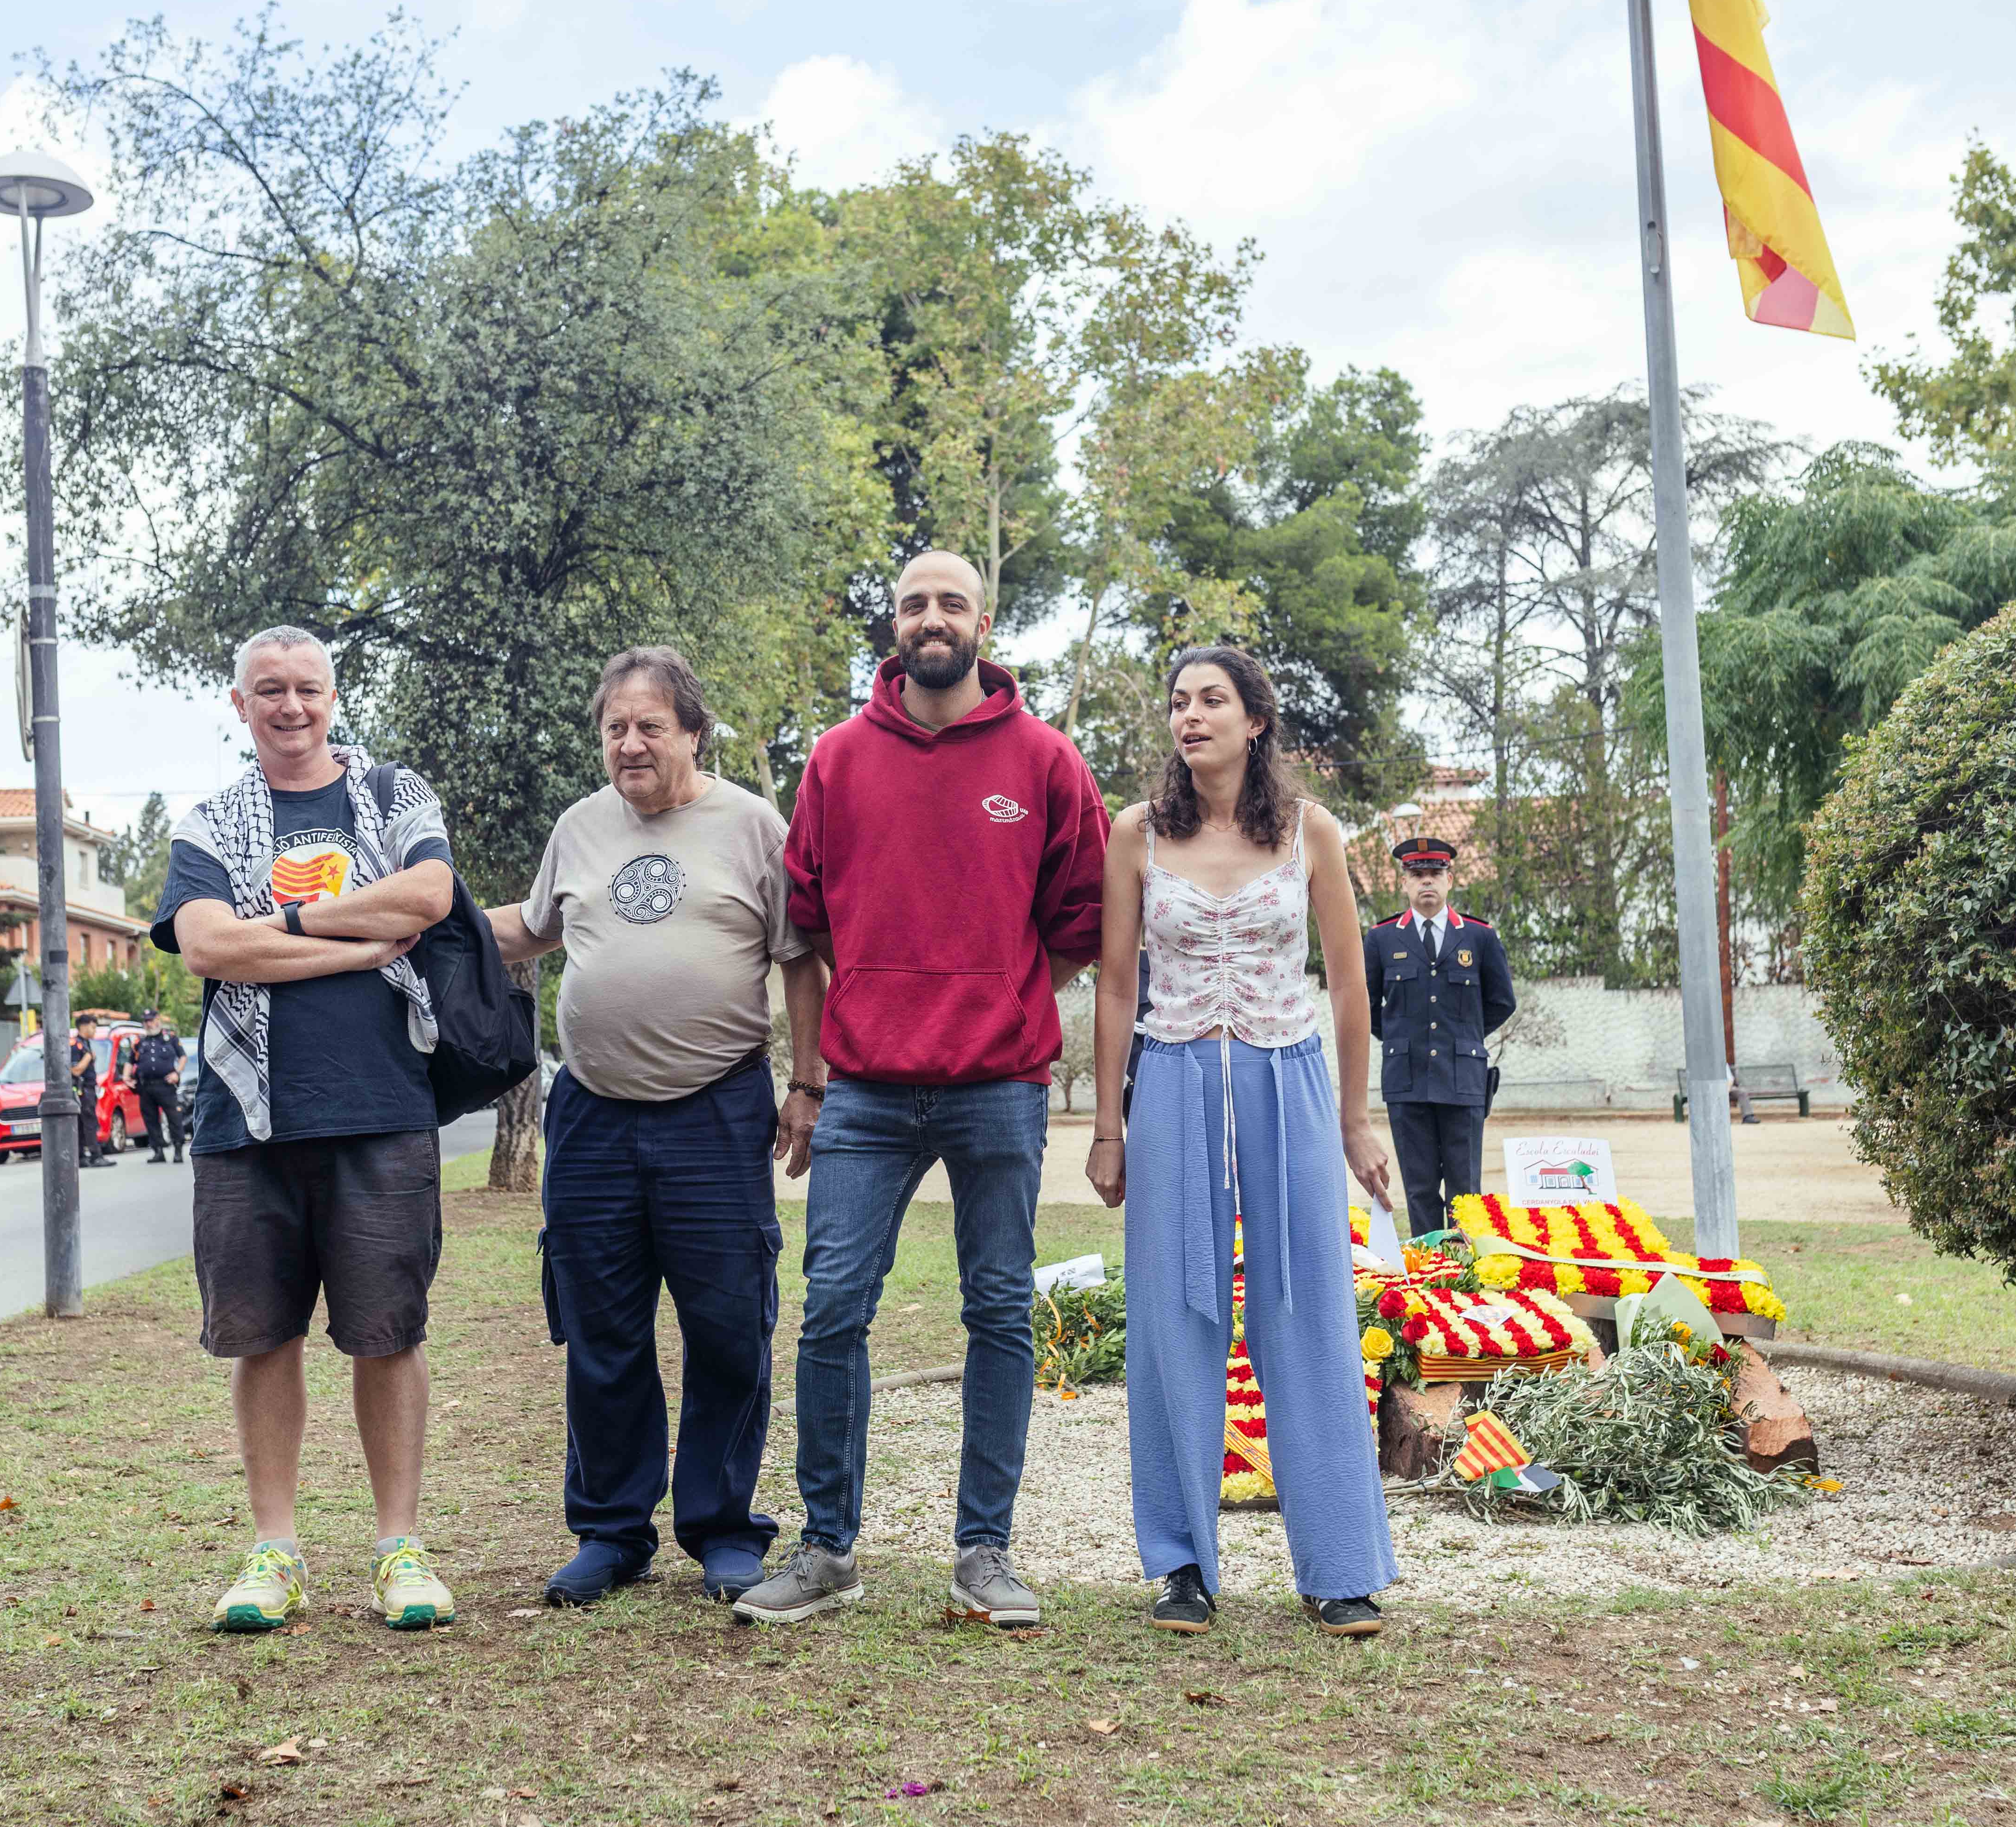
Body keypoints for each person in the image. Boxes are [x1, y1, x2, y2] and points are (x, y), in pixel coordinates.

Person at [733, 550, 1109, 1629]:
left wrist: (1005, 996)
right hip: (866, 1089)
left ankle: (983, 1551)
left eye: (951, 601)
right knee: (832, 1307)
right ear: (892, 626)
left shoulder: (1044, 761)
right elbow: (804, 924)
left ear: (984, 621)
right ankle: (826, 1548)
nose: (932, 617)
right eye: (913, 603)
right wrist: (811, 1076)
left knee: (999, 1309)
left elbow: (1077, 924)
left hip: (1000, 1086)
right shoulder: (839, 760)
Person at [485, 647, 829, 1609]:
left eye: (650, 726)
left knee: (728, 1326)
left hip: (715, 1110)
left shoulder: (753, 826)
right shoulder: (581, 826)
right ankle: (610, 1531)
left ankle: (723, 1528)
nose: (630, 744)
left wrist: (807, 1081)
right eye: (615, 729)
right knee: (601, 1330)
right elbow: (531, 928)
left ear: (692, 731)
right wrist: (419, 922)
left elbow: (800, 958)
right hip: (591, 1113)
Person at [151, 624, 462, 1635]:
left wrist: (271, 936)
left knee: (389, 1332)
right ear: (239, 705)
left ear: (336, 697)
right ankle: (275, 1548)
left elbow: (428, 896)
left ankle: (398, 1547)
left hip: (380, 1109)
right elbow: (206, 946)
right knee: (262, 1334)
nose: (292, 706)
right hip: (247, 1120)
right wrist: (345, 939)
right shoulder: (209, 822)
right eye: (269, 690)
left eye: (309, 688)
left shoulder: (392, 794)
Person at [1088, 645, 1399, 1639]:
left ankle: (1340, 1564)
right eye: (1178, 701)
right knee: (1175, 1315)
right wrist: (1108, 1123)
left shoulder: (1312, 831)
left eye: (1212, 700)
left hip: (1288, 1075)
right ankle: (1182, 1563)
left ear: (1255, 720)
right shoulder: (1136, 833)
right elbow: (1117, 985)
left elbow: (1350, 985)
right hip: (1173, 1078)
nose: (1191, 716)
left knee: (1304, 1304)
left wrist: (1355, 1118)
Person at [1364, 835, 1515, 1242]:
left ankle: (1467, 1274)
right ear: (1404, 883)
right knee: (1419, 1188)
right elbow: (1367, 1007)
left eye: (1435, 874)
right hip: (1407, 1079)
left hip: (1462, 1079)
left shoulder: (1480, 938)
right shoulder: (1381, 940)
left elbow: (1502, 1002)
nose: (1426, 882)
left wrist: (1462, 1038)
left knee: (1466, 1192)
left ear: (1451, 879)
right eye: (1418, 875)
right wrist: (1401, 1038)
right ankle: (1432, 1279)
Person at [135, 1016, 188, 1164]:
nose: (149, 1024)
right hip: (146, 1086)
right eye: (146, 1022)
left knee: (174, 1118)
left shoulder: (170, 1038)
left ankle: (178, 1150)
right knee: (150, 1120)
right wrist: (127, 1077)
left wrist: (177, 1073)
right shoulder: (140, 1041)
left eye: (151, 1021)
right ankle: (158, 1152)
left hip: (166, 1085)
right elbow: (131, 1061)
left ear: (158, 1021)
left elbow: (183, 1057)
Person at [70, 1017, 114, 1168]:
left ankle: (82, 1157)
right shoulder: (76, 1045)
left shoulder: (85, 1043)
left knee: (83, 1124)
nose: (94, 1031)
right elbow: (75, 1070)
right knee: (89, 1123)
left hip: (89, 1089)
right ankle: (96, 1156)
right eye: (93, 1027)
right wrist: (89, 1057)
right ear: (84, 1027)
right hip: (83, 1090)